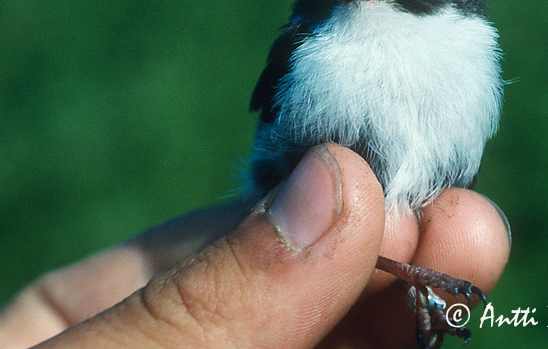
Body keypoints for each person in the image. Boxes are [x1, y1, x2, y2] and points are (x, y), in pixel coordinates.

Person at [0, 144, 511, 348]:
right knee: (342, 233)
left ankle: (409, 278)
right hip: (314, 246)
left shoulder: (469, 59)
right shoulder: (320, 48)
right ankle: (410, 278)